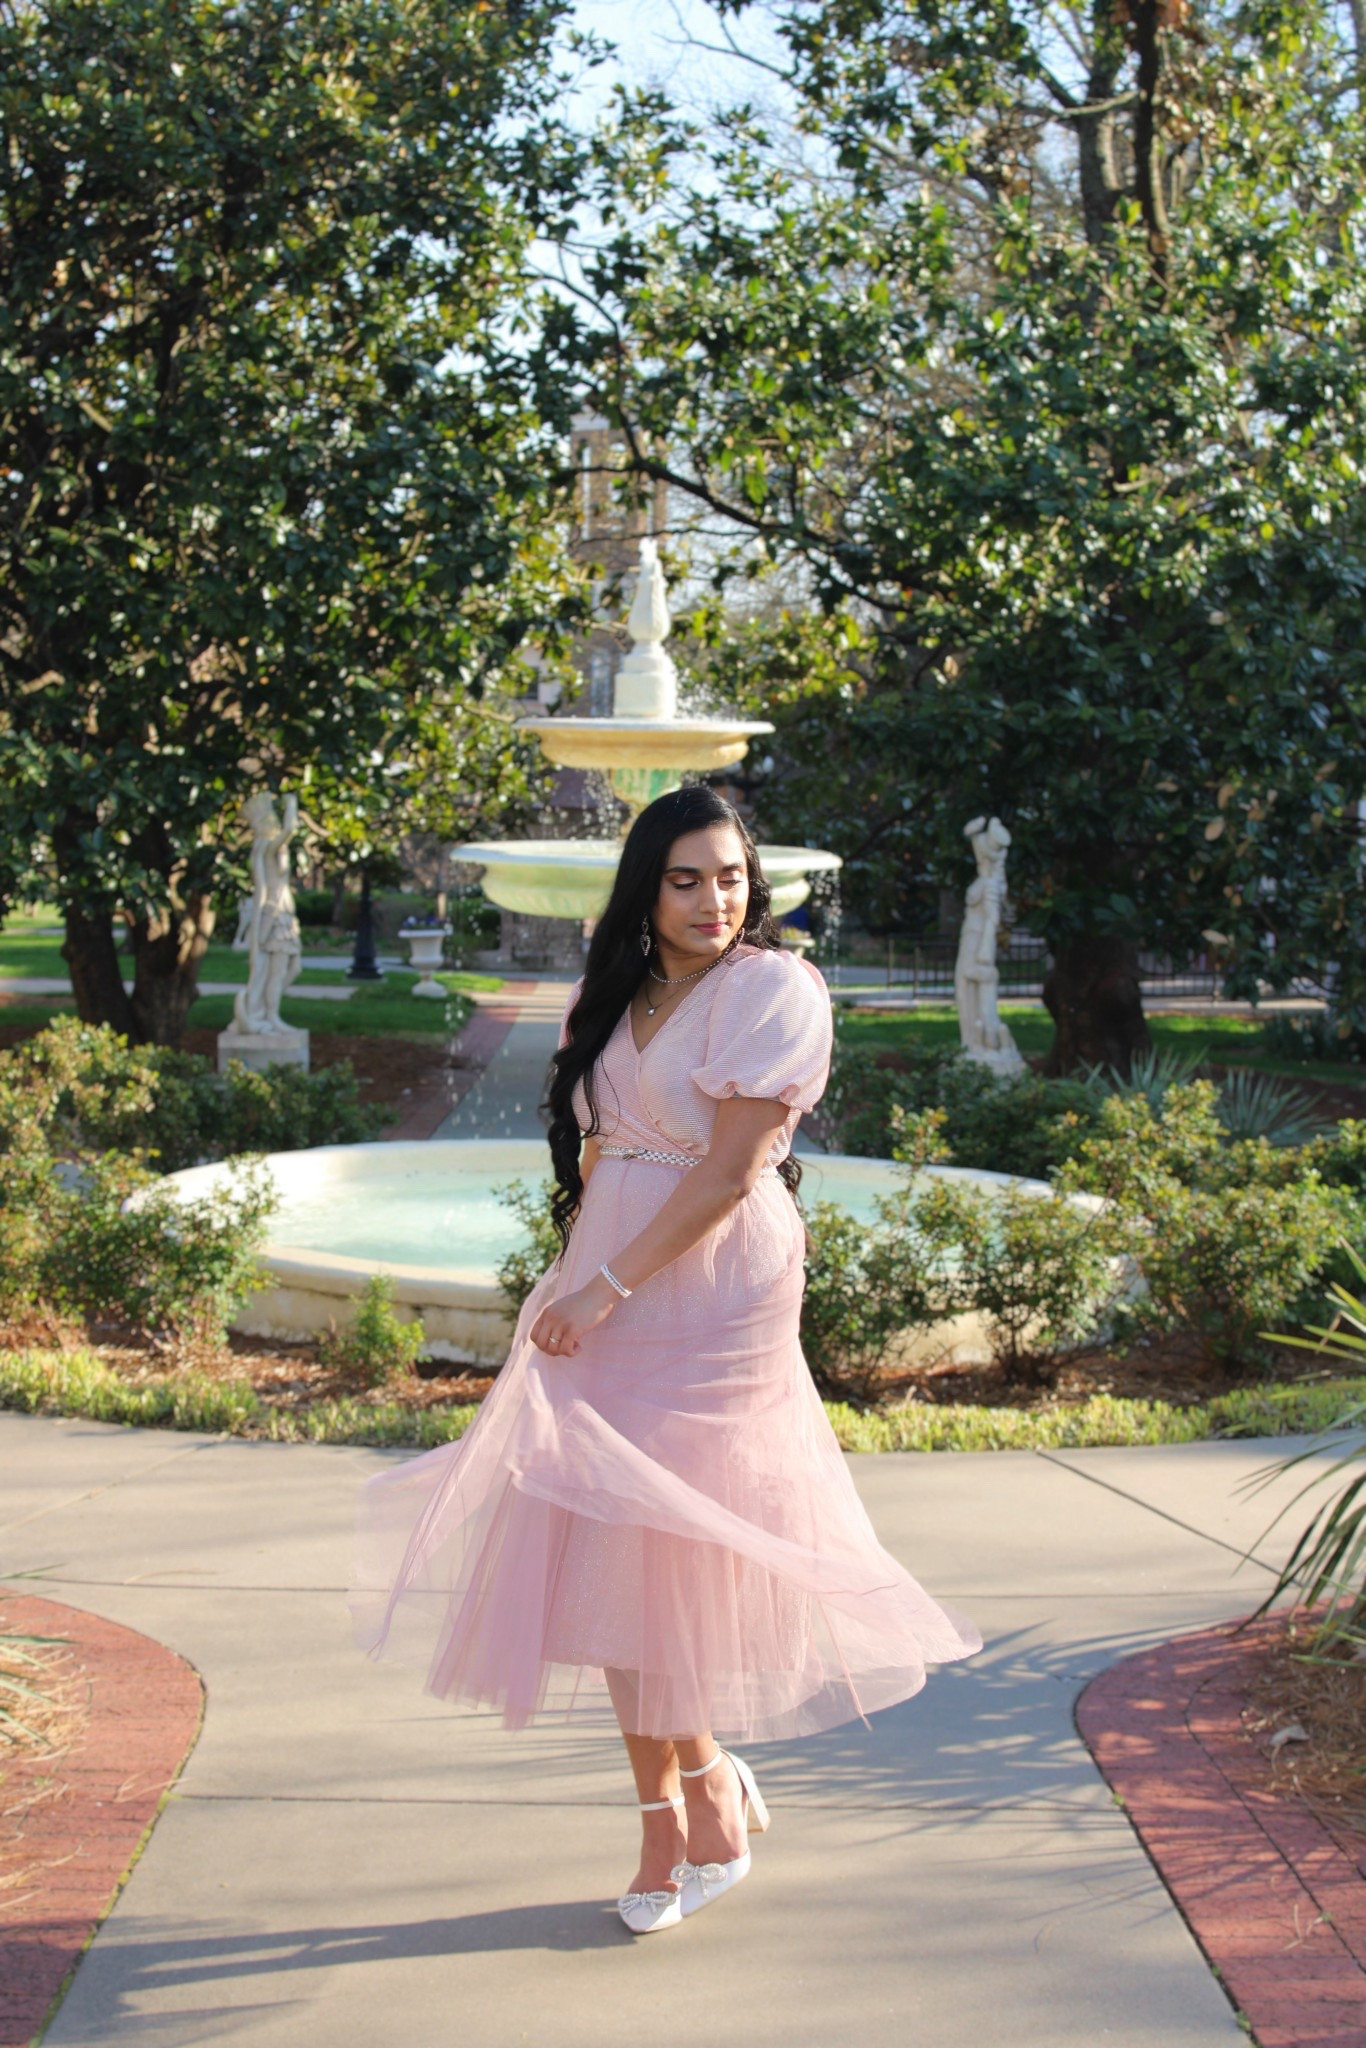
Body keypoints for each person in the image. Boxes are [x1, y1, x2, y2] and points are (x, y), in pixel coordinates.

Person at [348, 785, 982, 1937]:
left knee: (669, 1550)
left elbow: (728, 1170)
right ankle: (678, 1806)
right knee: (606, 1552)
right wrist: (573, 1273)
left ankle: (701, 1800)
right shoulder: (614, 994)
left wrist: (608, 1282)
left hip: (715, 1288)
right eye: (685, 878)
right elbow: (602, 1148)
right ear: (647, 887)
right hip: (608, 1272)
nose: (713, 899)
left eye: (732, 875)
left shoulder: (774, 990)